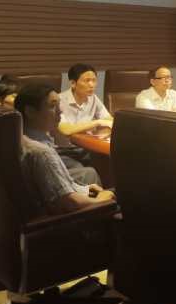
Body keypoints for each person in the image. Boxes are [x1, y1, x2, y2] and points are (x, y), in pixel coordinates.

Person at [15, 83, 114, 215]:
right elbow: (71, 202)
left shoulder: (20, 138)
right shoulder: (42, 152)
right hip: (62, 221)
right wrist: (101, 199)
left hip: (47, 210)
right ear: (30, 112)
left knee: (92, 178)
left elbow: (61, 189)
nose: (60, 111)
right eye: (52, 106)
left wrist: (85, 189)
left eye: (59, 105)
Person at [58, 64, 112, 136]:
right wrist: (97, 122)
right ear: (73, 83)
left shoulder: (93, 98)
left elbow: (109, 120)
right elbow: (66, 130)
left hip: (86, 141)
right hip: (64, 143)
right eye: (87, 81)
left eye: (94, 80)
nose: (91, 85)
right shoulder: (59, 100)